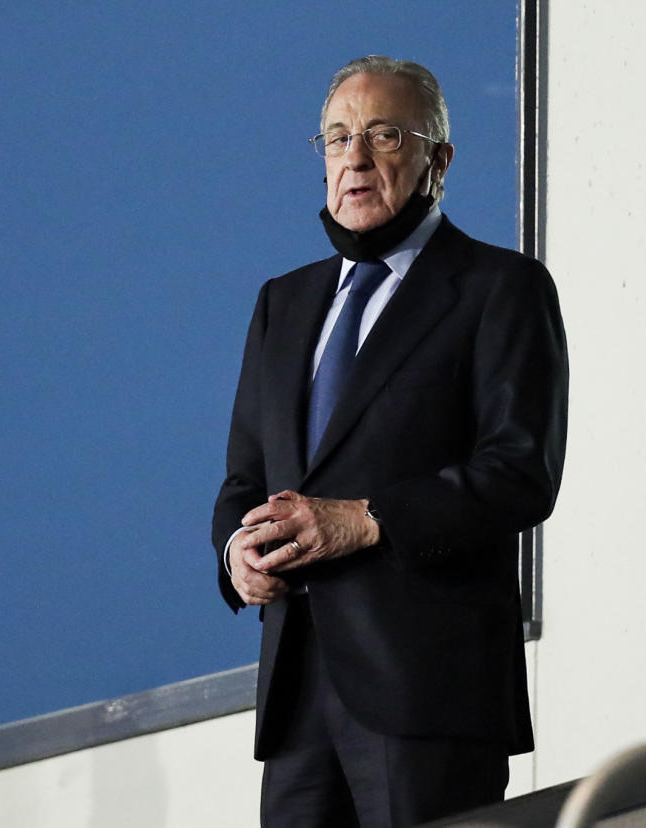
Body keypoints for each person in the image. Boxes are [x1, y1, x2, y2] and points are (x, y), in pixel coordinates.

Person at [211, 55, 568, 827]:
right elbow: (245, 479)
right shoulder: (284, 302)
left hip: (429, 695)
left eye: (385, 135)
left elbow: (520, 473)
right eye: (338, 138)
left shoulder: (499, 288)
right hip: (297, 695)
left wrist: (367, 518)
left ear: (439, 159)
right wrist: (234, 557)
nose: (357, 158)